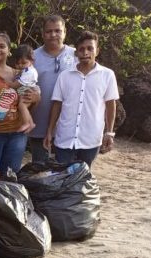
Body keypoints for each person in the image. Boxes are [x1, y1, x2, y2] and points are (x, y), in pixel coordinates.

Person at [44, 31, 119, 167]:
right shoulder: (65, 76)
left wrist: (109, 132)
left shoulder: (107, 75)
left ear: (97, 51)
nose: (85, 52)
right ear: (76, 52)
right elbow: (57, 105)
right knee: (62, 177)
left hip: (90, 138)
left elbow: (110, 104)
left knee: (82, 178)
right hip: (64, 138)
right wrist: (49, 131)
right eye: (81, 49)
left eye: (90, 48)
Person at [0, 33, 35, 179]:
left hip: (17, 135)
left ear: (9, 50)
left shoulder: (19, 74)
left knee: (10, 178)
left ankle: (4, 203)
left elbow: (29, 100)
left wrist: (37, 98)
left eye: (2, 46)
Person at [28, 15, 77, 162]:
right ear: (43, 33)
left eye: (58, 30)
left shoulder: (76, 55)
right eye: (49, 31)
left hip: (68, 124)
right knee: (40, 168)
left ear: (65, 32)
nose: (53, 35)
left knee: (67, 169)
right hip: (39, 123)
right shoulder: (32, 57)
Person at [7, 44, 39, 133]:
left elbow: (16, 84)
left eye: (23, 63)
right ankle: (30, 122)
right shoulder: (26, 70)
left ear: (32, 61)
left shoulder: (30, 72)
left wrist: (8, 83)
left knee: (22, 105)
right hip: (26, 89)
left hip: (28, 91)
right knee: (22, 106)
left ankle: (27, 123)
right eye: (18, 63)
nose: (20, 65)